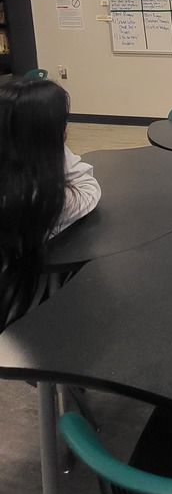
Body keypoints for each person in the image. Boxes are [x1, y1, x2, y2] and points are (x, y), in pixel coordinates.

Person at [0, 77, 101, 329]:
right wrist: (56, 146)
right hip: (23, 316)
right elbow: (89, 189)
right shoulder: (44, 200)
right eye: (62, 124)